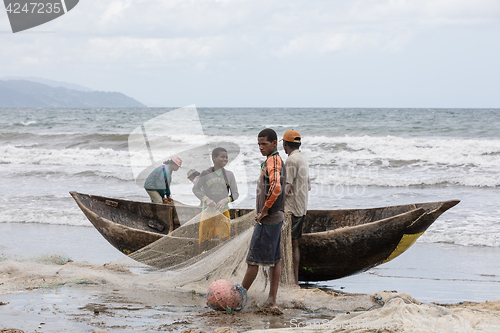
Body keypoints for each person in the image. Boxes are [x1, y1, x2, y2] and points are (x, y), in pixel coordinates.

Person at [242, 128, 286, 309]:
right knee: (275, 261)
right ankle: (271, 301)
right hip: (277, 217)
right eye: (258, 144)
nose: (260, 147)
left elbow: (276, 188)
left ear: (275, 143)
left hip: (268, 219)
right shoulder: (273, 160)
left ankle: (237, 298)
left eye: (264, 144)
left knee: (253, 261)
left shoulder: (273, 161)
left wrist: (265, 210)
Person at [282, 129, 311, 287]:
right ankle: (295, 280)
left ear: (285, 144)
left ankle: (290, 282)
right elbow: (309, 186)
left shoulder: (291, 161)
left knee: (285, 245)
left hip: (290, 210)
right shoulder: (303, 159)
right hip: (301, 208)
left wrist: (273, 205)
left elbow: (286, 188)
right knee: (295, 244)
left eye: (284, 145)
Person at [193, 147, 239, 243]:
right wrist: (206, 199)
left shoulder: (229, 174)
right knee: (204, 240)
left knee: (225, 239)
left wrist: (225, 200)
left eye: (226, 157)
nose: (225, 159)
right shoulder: (205, 173)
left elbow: (235, 194)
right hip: (207, 212)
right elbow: (195, 189)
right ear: (214, 158)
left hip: (224, 212)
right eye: (222, 157)